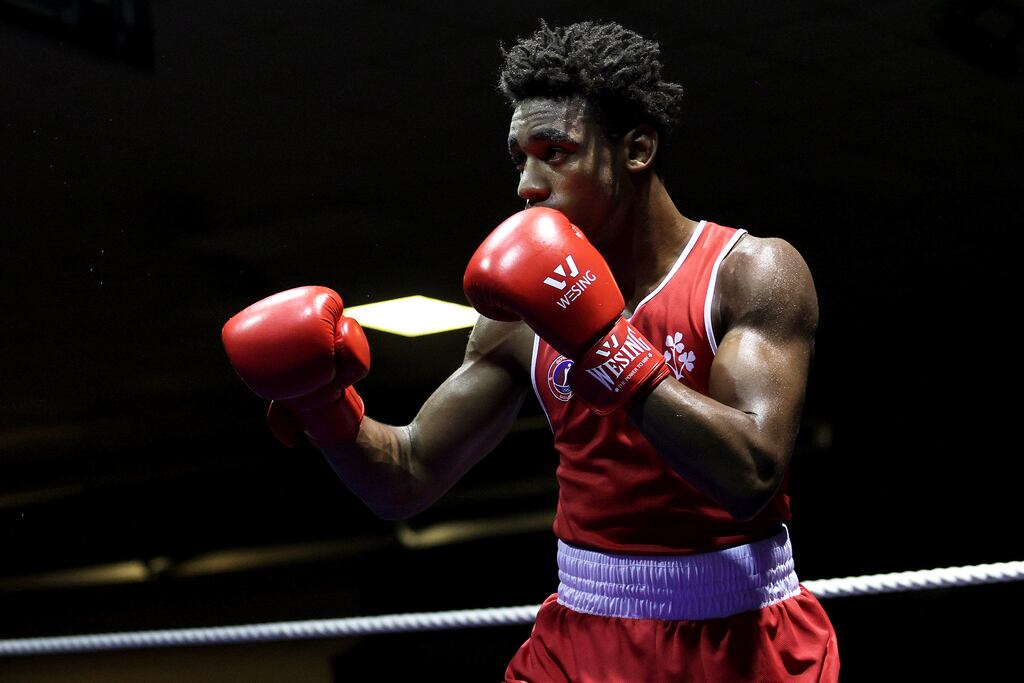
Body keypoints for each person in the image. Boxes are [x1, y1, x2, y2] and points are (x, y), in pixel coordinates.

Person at [221, 20, 839, 682]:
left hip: (740, 635)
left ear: (636, 149)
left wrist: (606, 346)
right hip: (582, 631)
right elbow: (406, 474)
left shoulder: (750, 273)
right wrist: (326, 408)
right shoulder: (519, 320)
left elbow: (751, 476)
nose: (527, 184)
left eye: (557, 152)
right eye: (520, 158)